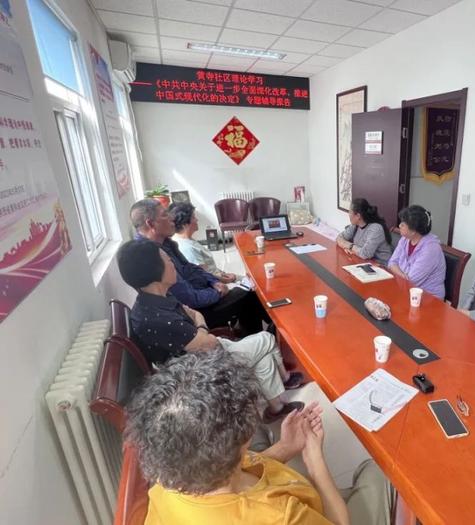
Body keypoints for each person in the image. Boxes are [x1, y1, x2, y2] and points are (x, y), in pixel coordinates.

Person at [127, 349, 395, 525]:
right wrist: (314, 460)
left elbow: (232, 471)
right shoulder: (280, 517)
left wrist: (286, 447)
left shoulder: (167, 482)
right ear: (242, 440)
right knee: (379, 472)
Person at [117, 239, 303, 422]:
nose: (172, 263)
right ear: (154, 269)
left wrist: (200, 329)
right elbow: (208, 342)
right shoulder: (157, 318)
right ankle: (284, 381)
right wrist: (202, 329)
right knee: (266, 339)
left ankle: (276, 408)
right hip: (198, 369)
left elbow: (195, 314)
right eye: (166, 259)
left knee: (263, 352)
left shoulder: (156, 298)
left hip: (199, 352)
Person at [130, 198, 268, 333]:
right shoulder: (150, 255)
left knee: (249, 293)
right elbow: (190, 299)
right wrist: (218, 292)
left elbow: (190, 268)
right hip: (194, 314)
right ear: (150, 224)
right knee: (250, 295)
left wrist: (213, 281)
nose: (172, 219)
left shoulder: (165, 242)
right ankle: (261, 339)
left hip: (202, 294)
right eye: (165, 215)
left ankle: (259, 334)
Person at [387, 205, 446, 299]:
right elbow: (391, 263)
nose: (399, 225)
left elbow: (411, 281)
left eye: (403, 224)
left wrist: (398, 272)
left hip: (427, 298)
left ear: (413, 230)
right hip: (405, 290)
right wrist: (403, 275)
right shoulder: (405, 239)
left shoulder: (431, 249)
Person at [169, 202, 236, 282]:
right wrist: (228, 280)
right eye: (193, 217)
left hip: (218, 277)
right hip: (215, 285)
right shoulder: (188, 249)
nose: (197, 220)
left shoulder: (184, 239)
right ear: (185, 224)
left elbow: (208, 269)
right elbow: (204, 276)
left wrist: (223, 273)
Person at [336, 198, 393, 264]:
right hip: (364, 262)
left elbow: (365, 254)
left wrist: (350, 246)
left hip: (381, 267)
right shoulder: (355, 225)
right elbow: (339, 237)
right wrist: (347, 247)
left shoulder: (376, 229)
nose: (348, 214)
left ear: (358, 216)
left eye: (350, 212)